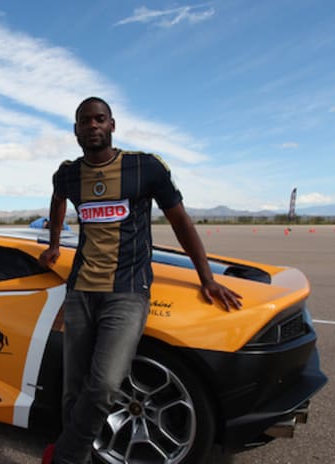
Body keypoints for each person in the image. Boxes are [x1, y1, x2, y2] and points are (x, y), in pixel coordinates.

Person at [38, 97, 242, 464]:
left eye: (100, 119)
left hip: (127, 292)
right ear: (76, 130)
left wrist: (206, 277)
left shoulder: (144, 167)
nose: (93, 126)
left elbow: (181, 222)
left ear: (112, 125)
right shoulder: (67, 173)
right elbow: (57, 201)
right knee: (73, 392)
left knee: (102, 387)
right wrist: (54, 245)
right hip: (80, 291)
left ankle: (65, 458)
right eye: (85, 121)